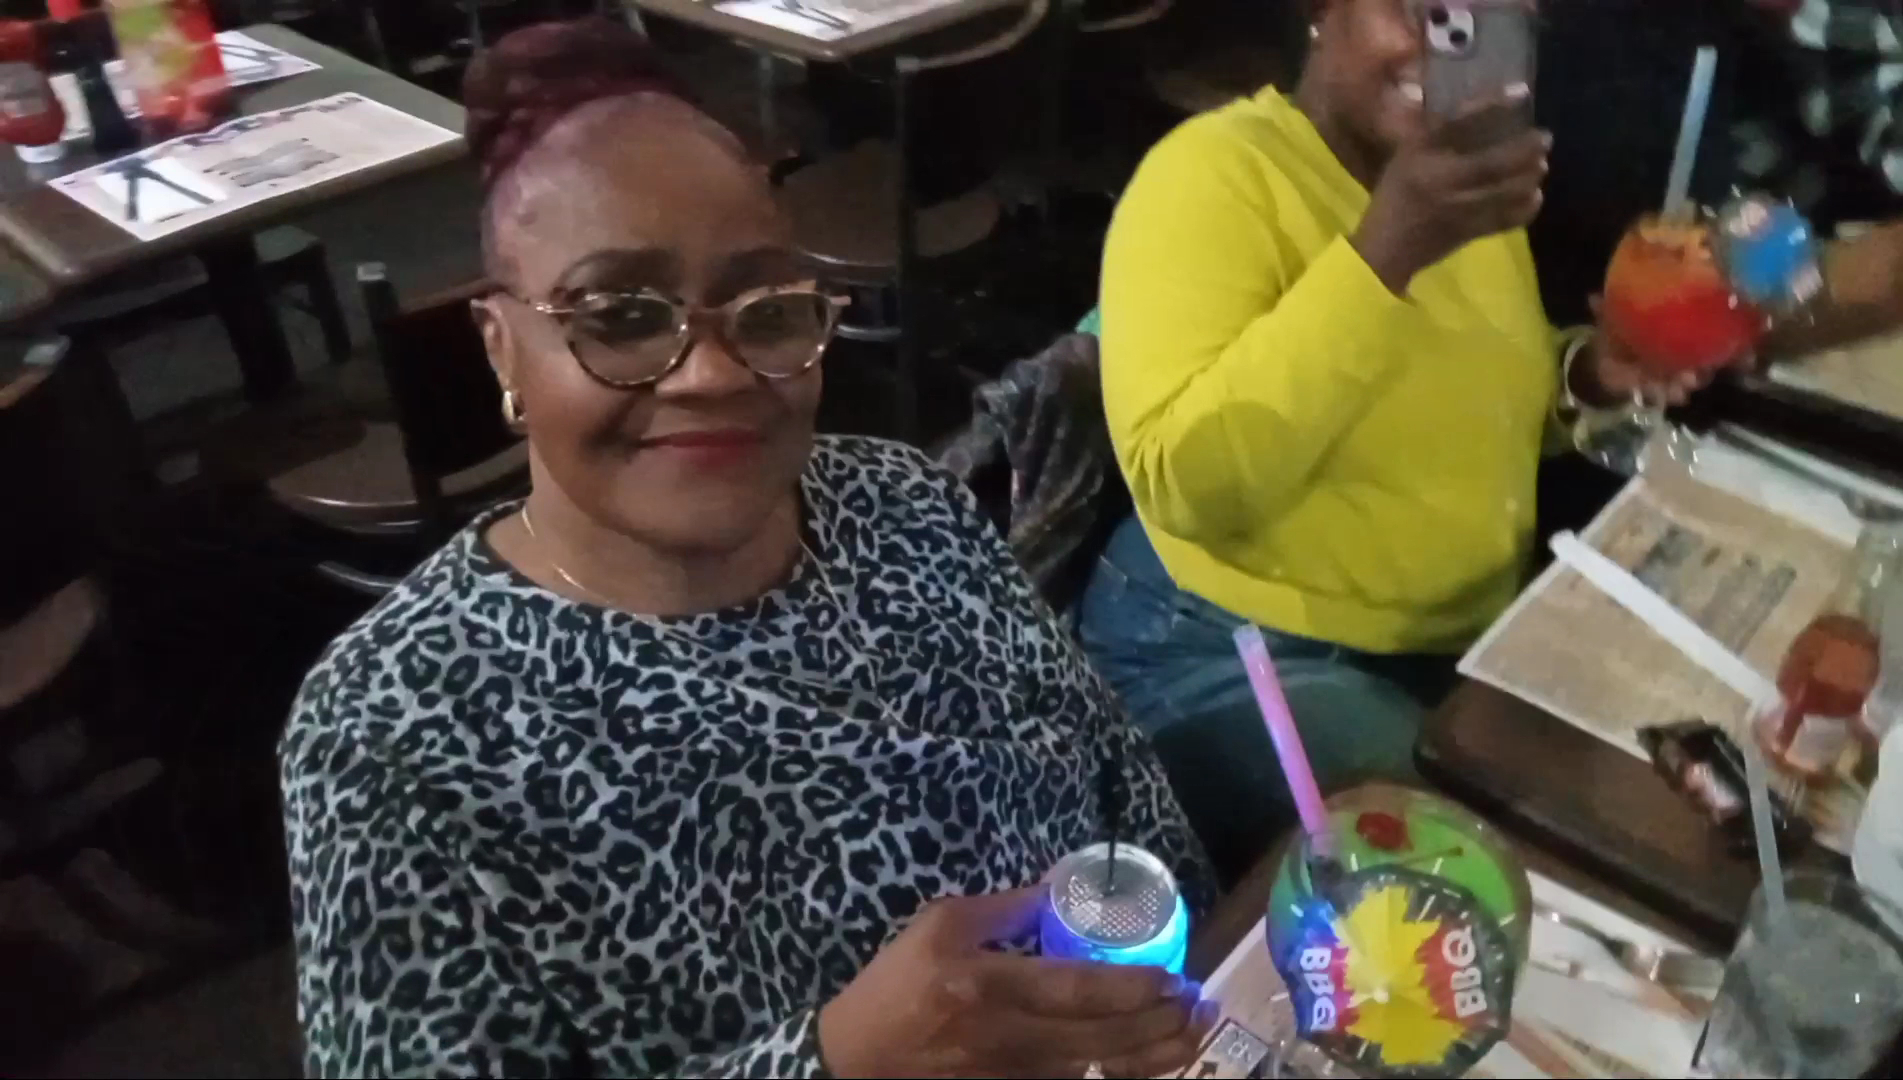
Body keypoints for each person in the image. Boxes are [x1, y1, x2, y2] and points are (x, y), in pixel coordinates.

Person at [280, 19, 1215, 1079]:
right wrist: (838, 1061)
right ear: (502, 349)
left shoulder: (903, 502)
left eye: (765, 311)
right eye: (621, 316)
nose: (712, 372)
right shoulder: (394, 734)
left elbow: (1123, 794)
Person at [1077, 0, 1704, 883]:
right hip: (1232, 644)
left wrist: (1589, 376)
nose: (1449, 45)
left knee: (1656, 806)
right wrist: (1387, 251)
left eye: (1498, 16)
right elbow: (1187, 483)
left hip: (1446, 647)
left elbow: (1468, 407)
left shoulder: (1454, 189)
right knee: (1497, 871)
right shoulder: (1211, 175)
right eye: (1421, 8)